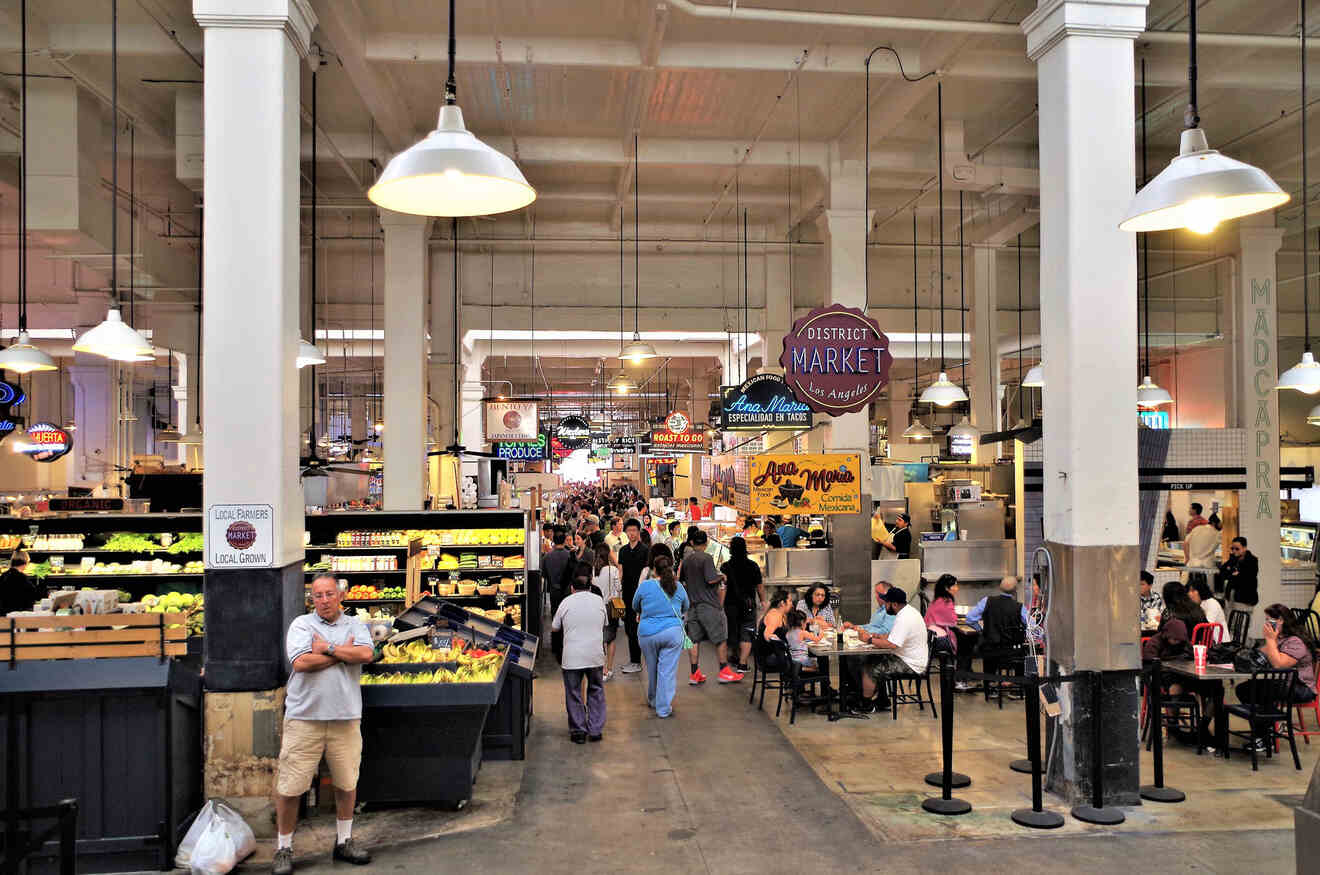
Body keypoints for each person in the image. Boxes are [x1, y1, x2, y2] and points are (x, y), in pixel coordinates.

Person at [273, 575, 375, 874]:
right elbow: (301, 662)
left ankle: (344, 842)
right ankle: (284, 848)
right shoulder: (301, 625)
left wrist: (327, 649)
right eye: (318, 595)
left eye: (329, 594)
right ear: (312, 599)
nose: (324, 600)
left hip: (345, 717)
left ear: (340, 595)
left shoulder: (355, 625)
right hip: (304, 719)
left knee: (346, 784)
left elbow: (367, 654)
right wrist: (344, 653)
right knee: (291, 787)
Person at [551, 573, 608, 743]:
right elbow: (605, 624)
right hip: (595, 655)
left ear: (572, 588)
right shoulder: (598, 601)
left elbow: (555, 628)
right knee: (596, 690)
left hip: (572, 656)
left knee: (574, 692)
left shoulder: (566, 602)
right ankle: (595, 730)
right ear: (590, 588)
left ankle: (578, 731)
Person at [680, 529, 741, 684]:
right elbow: (710, 579)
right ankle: (724, 671)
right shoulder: (706, 558)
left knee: (694, 639)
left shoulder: (686, 561)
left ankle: (694, 673)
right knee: (720, 638)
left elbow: (682, 581)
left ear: (692, 543)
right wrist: (722, 576)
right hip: (708, 605)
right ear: (706, 543)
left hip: (692, 606)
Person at [632, 554, 690, 718]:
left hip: (647, 634)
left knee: (652, 668)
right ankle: (663, 708)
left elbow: (635, 604)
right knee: (667, 671)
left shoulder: (645, 586)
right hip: (672, 633)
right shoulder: (678, 586)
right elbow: (686, 605)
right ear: (671, 568)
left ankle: (653, 699)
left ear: (654, 570)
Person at [856, 587, 928, 711]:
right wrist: (877, 636)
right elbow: (895, 636)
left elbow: (891, 645)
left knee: (870, 668)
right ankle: (883, 700)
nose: (884, 606)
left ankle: (866, 705)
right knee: (872, 658)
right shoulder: (908, 612)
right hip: (909, 658)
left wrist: (868, 640)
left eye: (887, 603)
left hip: (911, 663)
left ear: (894, 604)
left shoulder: (904, 618)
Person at [1236, 604, 1317, 707]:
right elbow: (1263, 653)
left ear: (1281, 620)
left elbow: (1279, 665)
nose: (1266, 624)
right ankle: (1266, 720)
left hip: (1301, 688)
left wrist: (1270, 639)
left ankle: (1267, 719)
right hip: (1283, 683)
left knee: (1251, 691)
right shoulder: (1279, 637)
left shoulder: (1296, 641)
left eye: (1269, 620)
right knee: (1245, 689)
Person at [721, 536, 764, 674]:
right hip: (748, 604)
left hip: (730, 604)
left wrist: (720, 605)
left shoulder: (725, 566)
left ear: (731, 549)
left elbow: (723, 587)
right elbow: (759, 586)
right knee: (747, 631)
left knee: (733, 629)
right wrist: (763, 600)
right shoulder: (753, 566)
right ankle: (743, 663)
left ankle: (734, 655)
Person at [617, 518, 649, 675]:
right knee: (630, 628)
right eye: (629, 530)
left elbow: (648, 574)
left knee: (641, 628)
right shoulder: (623, 551)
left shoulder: (645, 551)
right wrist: (618, 589)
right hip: (627, 594)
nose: (631, 533)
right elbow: (621, 572)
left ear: (638, 532)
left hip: (642, 595)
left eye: (634, 530)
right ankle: (635, 660)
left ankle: (640, 660)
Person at [1141, 581, 1205, 661]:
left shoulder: (1169, 612)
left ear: (1167, 596)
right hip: (1199, 651)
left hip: (1177, 653)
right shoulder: (1197, 608)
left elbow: (1162, 634)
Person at [542, 527, 575, 662]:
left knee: (556, 617)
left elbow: (544, 574)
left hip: (554, 591)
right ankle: (567, 644)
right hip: (568, 591)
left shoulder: (547, 557)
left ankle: (556, 647)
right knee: (568, 618)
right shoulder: (570, 555)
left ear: (554, 541)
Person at [593, 544, 623, 681]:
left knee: (598, 639)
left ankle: (599, 668)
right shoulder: (613, 570)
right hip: (611, 608)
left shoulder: (593, 571)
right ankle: (608, 669)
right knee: (610, 640)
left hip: (595, 608)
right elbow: (619, 588)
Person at [1221, 536, 1259, 622]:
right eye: (1232, 548)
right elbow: (1223, 571)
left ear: (1244, 548)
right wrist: (1233, 574)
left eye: (1237, 549)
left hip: (1244, 598)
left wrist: (1233, 574)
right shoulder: (1233, 559)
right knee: (1230, 622)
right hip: (1231, 597)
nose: (1234, 551)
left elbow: (1246, 578)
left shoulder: (1251, 560)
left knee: (1242, 624)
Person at [924, 574, 960, 653]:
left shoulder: (936, 601)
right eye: (955, 586)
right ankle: (960, 665)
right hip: (939, 640)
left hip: (930, 637)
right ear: (947, 588)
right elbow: (953, 621)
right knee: (964, 643)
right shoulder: (947, 602)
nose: (957, 588)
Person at [0, 551, 44, 616]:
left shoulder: (3, 575)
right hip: (19, 615)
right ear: (25, 562)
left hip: (4, 615)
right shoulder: (21, 577)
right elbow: (36, 595)